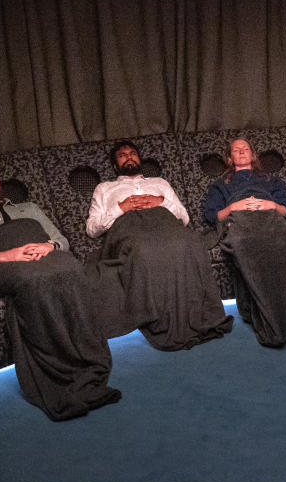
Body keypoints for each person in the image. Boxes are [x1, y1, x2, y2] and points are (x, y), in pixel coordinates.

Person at [0, 162, 121, 421]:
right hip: (1, 264)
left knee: (72, 269)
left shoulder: (29, 209)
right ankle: (58, 372)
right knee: (33, 279)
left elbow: (61, 241)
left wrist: (49, 247)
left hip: (41, 256)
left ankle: (87, 358)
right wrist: (5, 255)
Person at [86, 141, 233, 350]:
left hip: (163, 223)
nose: (129, 157)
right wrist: (121, 207)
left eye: (133, 153)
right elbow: (92, 228)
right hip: (129, 229)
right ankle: (160, 318)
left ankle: (195, 313)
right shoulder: (105, 188)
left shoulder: (160, 183)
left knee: (190, 242)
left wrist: (160, 201)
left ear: (139, 158)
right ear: (114, 164)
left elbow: (184, 217)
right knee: (143, 250)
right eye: (122, 155)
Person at [202, 138, 286, 347]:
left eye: (246, 149)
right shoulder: (219, 185)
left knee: (282, 242)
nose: (241, 152)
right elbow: (213, 215)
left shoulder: (272, 181)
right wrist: (234, 206)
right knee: (246, 243)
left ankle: (278, 311)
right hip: (240, 223)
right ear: (230, 158)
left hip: (270, 220)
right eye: (236, 150)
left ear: (253, 155)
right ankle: (259, 310)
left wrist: (270, 204)